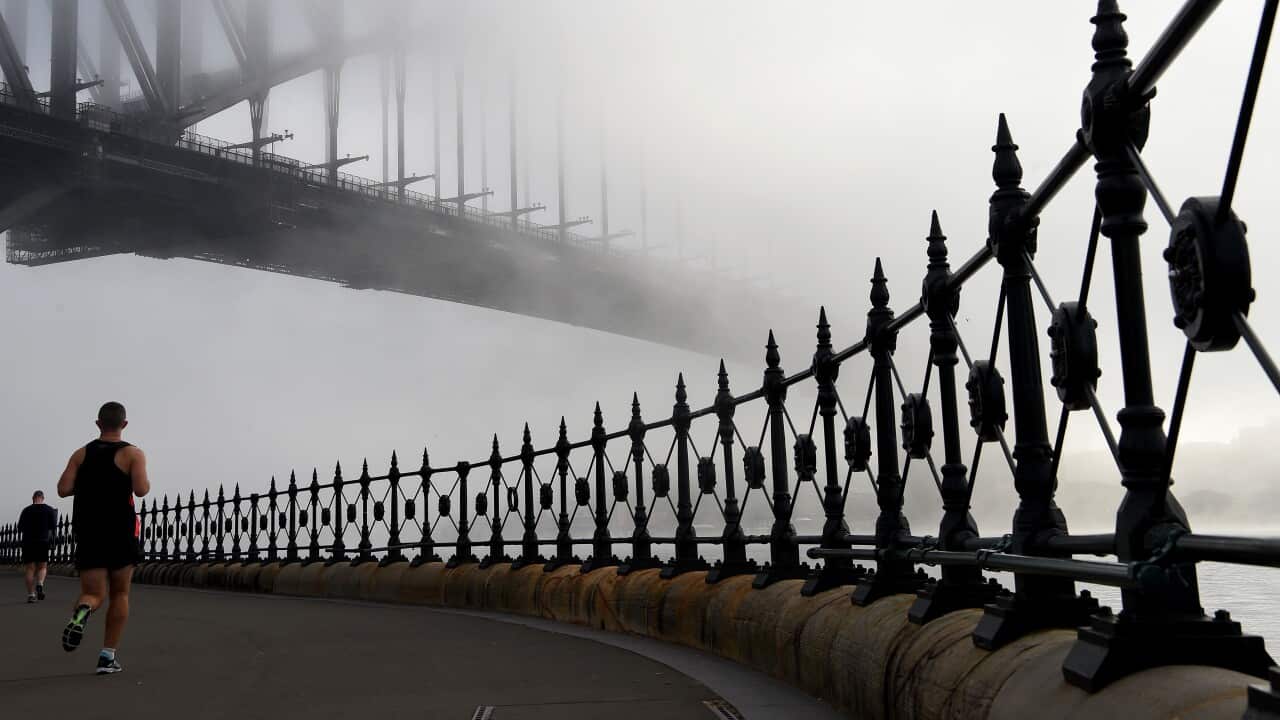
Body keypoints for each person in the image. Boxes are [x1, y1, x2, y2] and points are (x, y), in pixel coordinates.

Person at [56, 402, 149, 675]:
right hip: (121, 530)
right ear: (124, 424)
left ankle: (83, 611)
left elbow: (63, 489)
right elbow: (141, 489)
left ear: (98, 424)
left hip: (89, 530)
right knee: (120, 593)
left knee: (93, 593)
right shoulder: (132, 453)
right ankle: (107, 657)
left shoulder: (81, 454)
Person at [18, 490, 58, 602]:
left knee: (30, 569)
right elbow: (53, 527)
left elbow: (20, 528)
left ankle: (31, 595)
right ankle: (40, 584)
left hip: (28, 542)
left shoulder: (26, 510)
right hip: (43, 541)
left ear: (33, 498)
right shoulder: (49, 510)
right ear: (43, 498)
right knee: (42, 567)